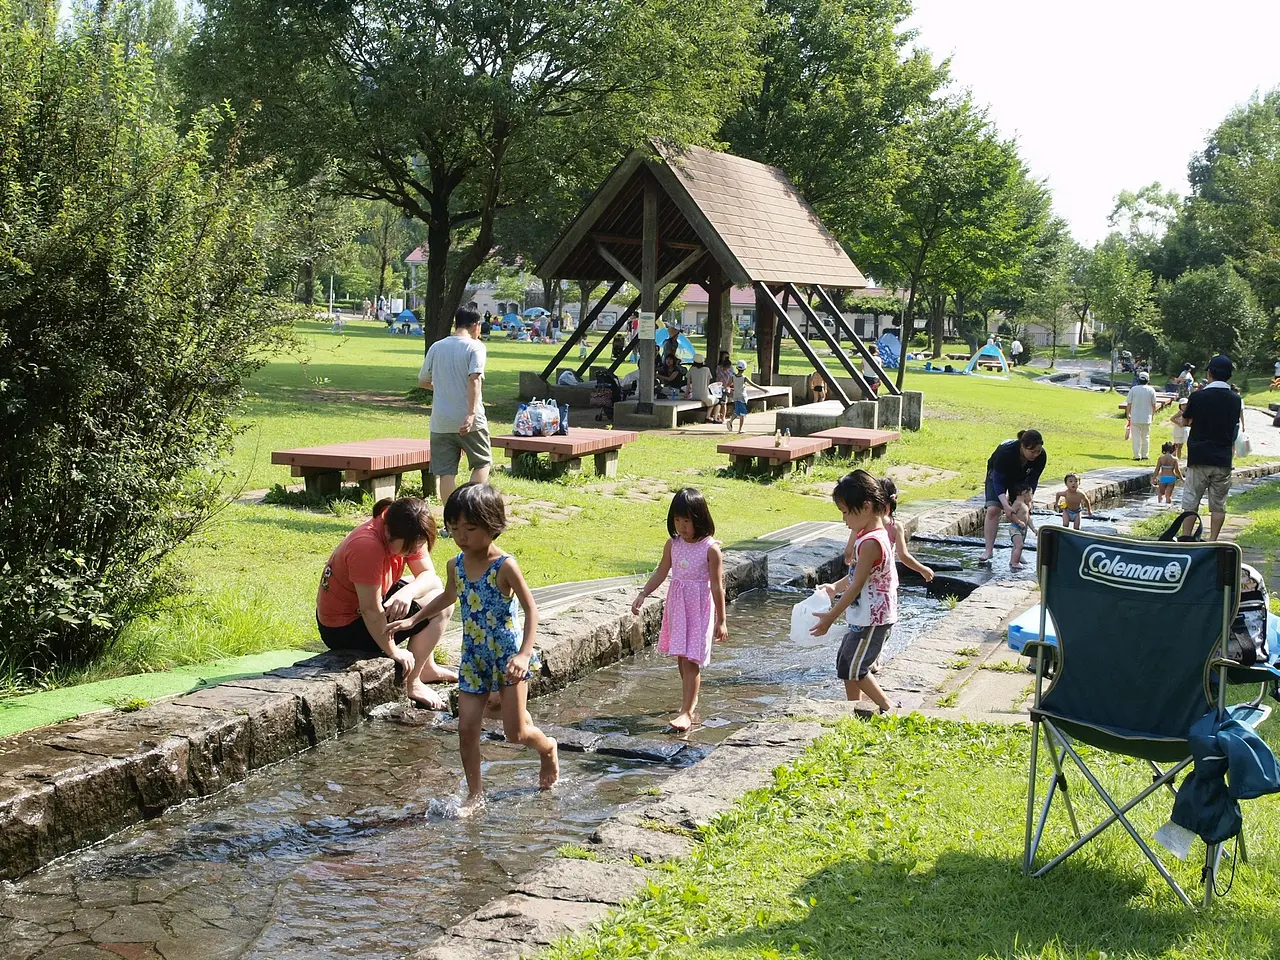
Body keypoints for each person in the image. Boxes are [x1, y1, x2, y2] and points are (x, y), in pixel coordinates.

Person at [396, 484, 558, 810]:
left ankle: (548, 749)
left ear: (492, 524)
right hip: (473, 658)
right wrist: (414, 620)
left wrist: (525, 655)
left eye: (469, 529)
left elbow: (532, 609)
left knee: (516, 733)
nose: (461, 537)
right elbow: (447, 596)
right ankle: (475, 795)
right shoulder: (455, 564)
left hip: (508, 658)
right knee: (466, 729)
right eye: (454, 529)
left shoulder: (505, 567)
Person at [316, 497, 457, 709]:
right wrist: (393, 651)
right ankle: (412, 682)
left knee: (434, 592)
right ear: (390, 534)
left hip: (365, 608)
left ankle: (426, 667)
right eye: (409, 549)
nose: (412, 553)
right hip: (343, 629)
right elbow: (371, 610)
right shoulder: (367, 545)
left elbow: (430, 576)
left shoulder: (408, 526)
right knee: (442, 605)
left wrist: (408, 592)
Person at [631, 488, 727, 732]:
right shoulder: (673, 544)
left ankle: (686, 710)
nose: (682, 527)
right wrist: (644, 593)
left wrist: (722, 620)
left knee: (691, 658)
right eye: (677, 520)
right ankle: (689, 703)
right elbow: (662, 572)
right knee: (681, 656)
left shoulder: (710, 549)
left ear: (700, 519)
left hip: (699, 608)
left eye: (687, 521)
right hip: (678, 606)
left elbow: (717, 586)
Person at [809, 471, 897, 713]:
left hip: (874, 619)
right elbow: (856, 576)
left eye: (846, 512)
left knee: (855, 668)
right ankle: (854, 708)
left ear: (866, 507)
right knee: (845, 661)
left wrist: (831, 616)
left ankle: (887, 707)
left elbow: (857, 584)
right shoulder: (867, 537)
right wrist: (834, 587)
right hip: (865, 616)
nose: (844, 519)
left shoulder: (871, 543)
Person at [419, 308, 491, 504]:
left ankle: (451, 522)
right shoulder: (476, 347)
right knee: (482, 463)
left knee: (445, 472)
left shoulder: (437, 346)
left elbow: (423, 380)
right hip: (470, 420)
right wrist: (471, 413)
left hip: (441, 421)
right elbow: (474, 379)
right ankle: (469, 511)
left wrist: (444, 387)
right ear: (476, 325)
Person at [1174, 354, 1245, 540]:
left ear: (1209, 373)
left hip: (1198, 456)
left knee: (1191, 501)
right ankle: (1213, 540)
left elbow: (1186, 419)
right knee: (1218, 504)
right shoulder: (1235, 399)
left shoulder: (1198, 396)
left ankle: (1186, 538)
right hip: (1222, 458)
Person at [978, 430, 1046, 564]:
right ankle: (988, 550)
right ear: (1022, 446)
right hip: (998, 476)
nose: (1036, 455)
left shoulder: (1041, 456)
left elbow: (1033, 480)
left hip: (1021, 479)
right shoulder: (1006, 452)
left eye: (1038, 451)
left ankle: (1017, 550)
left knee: (1023, 510)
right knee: (993, 509)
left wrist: (1029, 499)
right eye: (1032, 452)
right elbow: (998, 481)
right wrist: (1005, 505)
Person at [879, 478, 934, 582]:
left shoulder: (864, 523)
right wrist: (923, 569)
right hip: (885, 582)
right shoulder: (894, 527)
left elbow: (850, 553)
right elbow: (903, 556)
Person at [1126, 371, 1158, 460]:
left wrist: (1128, 413)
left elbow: (1129, 403)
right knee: (1146, 436)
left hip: (1135, 417)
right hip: (1147, 417)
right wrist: (1152, 415)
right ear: (1148, 380)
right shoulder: (1151, 390)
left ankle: (1137, 455)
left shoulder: (1133, 389)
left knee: (1136, 437)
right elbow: (1154, 405)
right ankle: (1145, 455)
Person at [727, 359, 760, 434]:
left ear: (737, 368)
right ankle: (740, 429)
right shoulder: (744, 378)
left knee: (737, 411)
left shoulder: (733, 377)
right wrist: (763, 389)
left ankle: (730, 421)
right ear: (744, 369)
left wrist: (730, 389)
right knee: (742, 414)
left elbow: (727, 385)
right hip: (742, 397)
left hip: (736, 396)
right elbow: (753, 384)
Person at [1008, 485, 1036, 570]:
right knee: (1019, 545)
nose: (1031, 497)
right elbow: (1011, 513)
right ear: (1024, 493)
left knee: (1017, 546)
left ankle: (1013, 559)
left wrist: (1034, 529)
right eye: (1031, 494)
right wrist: (1018, 521)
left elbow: (1029, 519)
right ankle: (1015, 563)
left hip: (1022, 529)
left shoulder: (1025, 505)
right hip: (1015, 528)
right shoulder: (1018, 503)